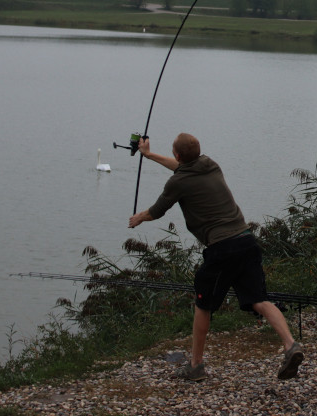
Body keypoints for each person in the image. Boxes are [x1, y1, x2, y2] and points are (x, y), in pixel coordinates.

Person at [128, 133, 304, 381]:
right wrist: (149, 155)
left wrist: (138, 218)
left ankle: (196, 366)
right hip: (246, 241)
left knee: (203, 304)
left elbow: (157, 211)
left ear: (178, 155)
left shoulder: (177, 182)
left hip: (222, 249)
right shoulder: (210, 164)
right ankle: (290, 344)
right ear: (198, 152)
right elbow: (181, 167)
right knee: (259, 299)